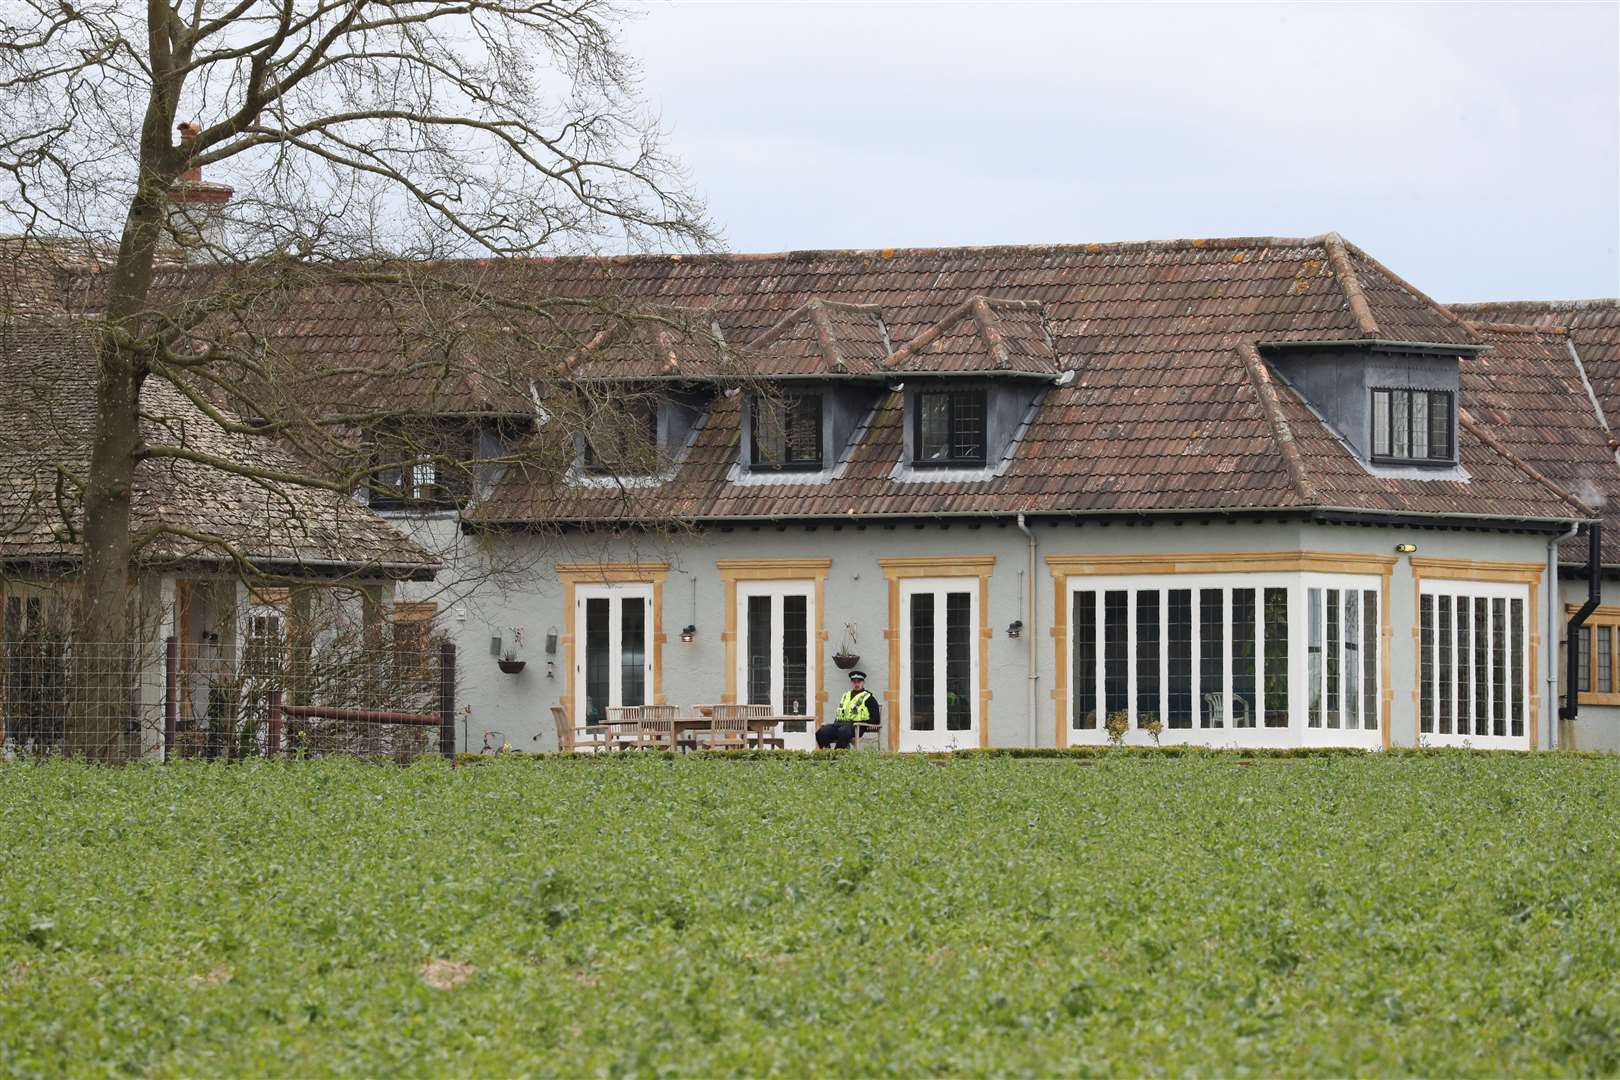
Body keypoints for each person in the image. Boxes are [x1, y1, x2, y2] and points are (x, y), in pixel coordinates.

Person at [817, 670, 880, 749]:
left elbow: (876, 719)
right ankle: (827, 755)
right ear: (851, 682)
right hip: (839, 724)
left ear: (863, 682)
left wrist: (860, 723)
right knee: (821, 732)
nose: (856, 684)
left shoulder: (869, 698)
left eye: (859, 682)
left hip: (856, 727)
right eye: (854, 682)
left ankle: (837, 756)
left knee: (843, 731)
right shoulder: (846, 695)